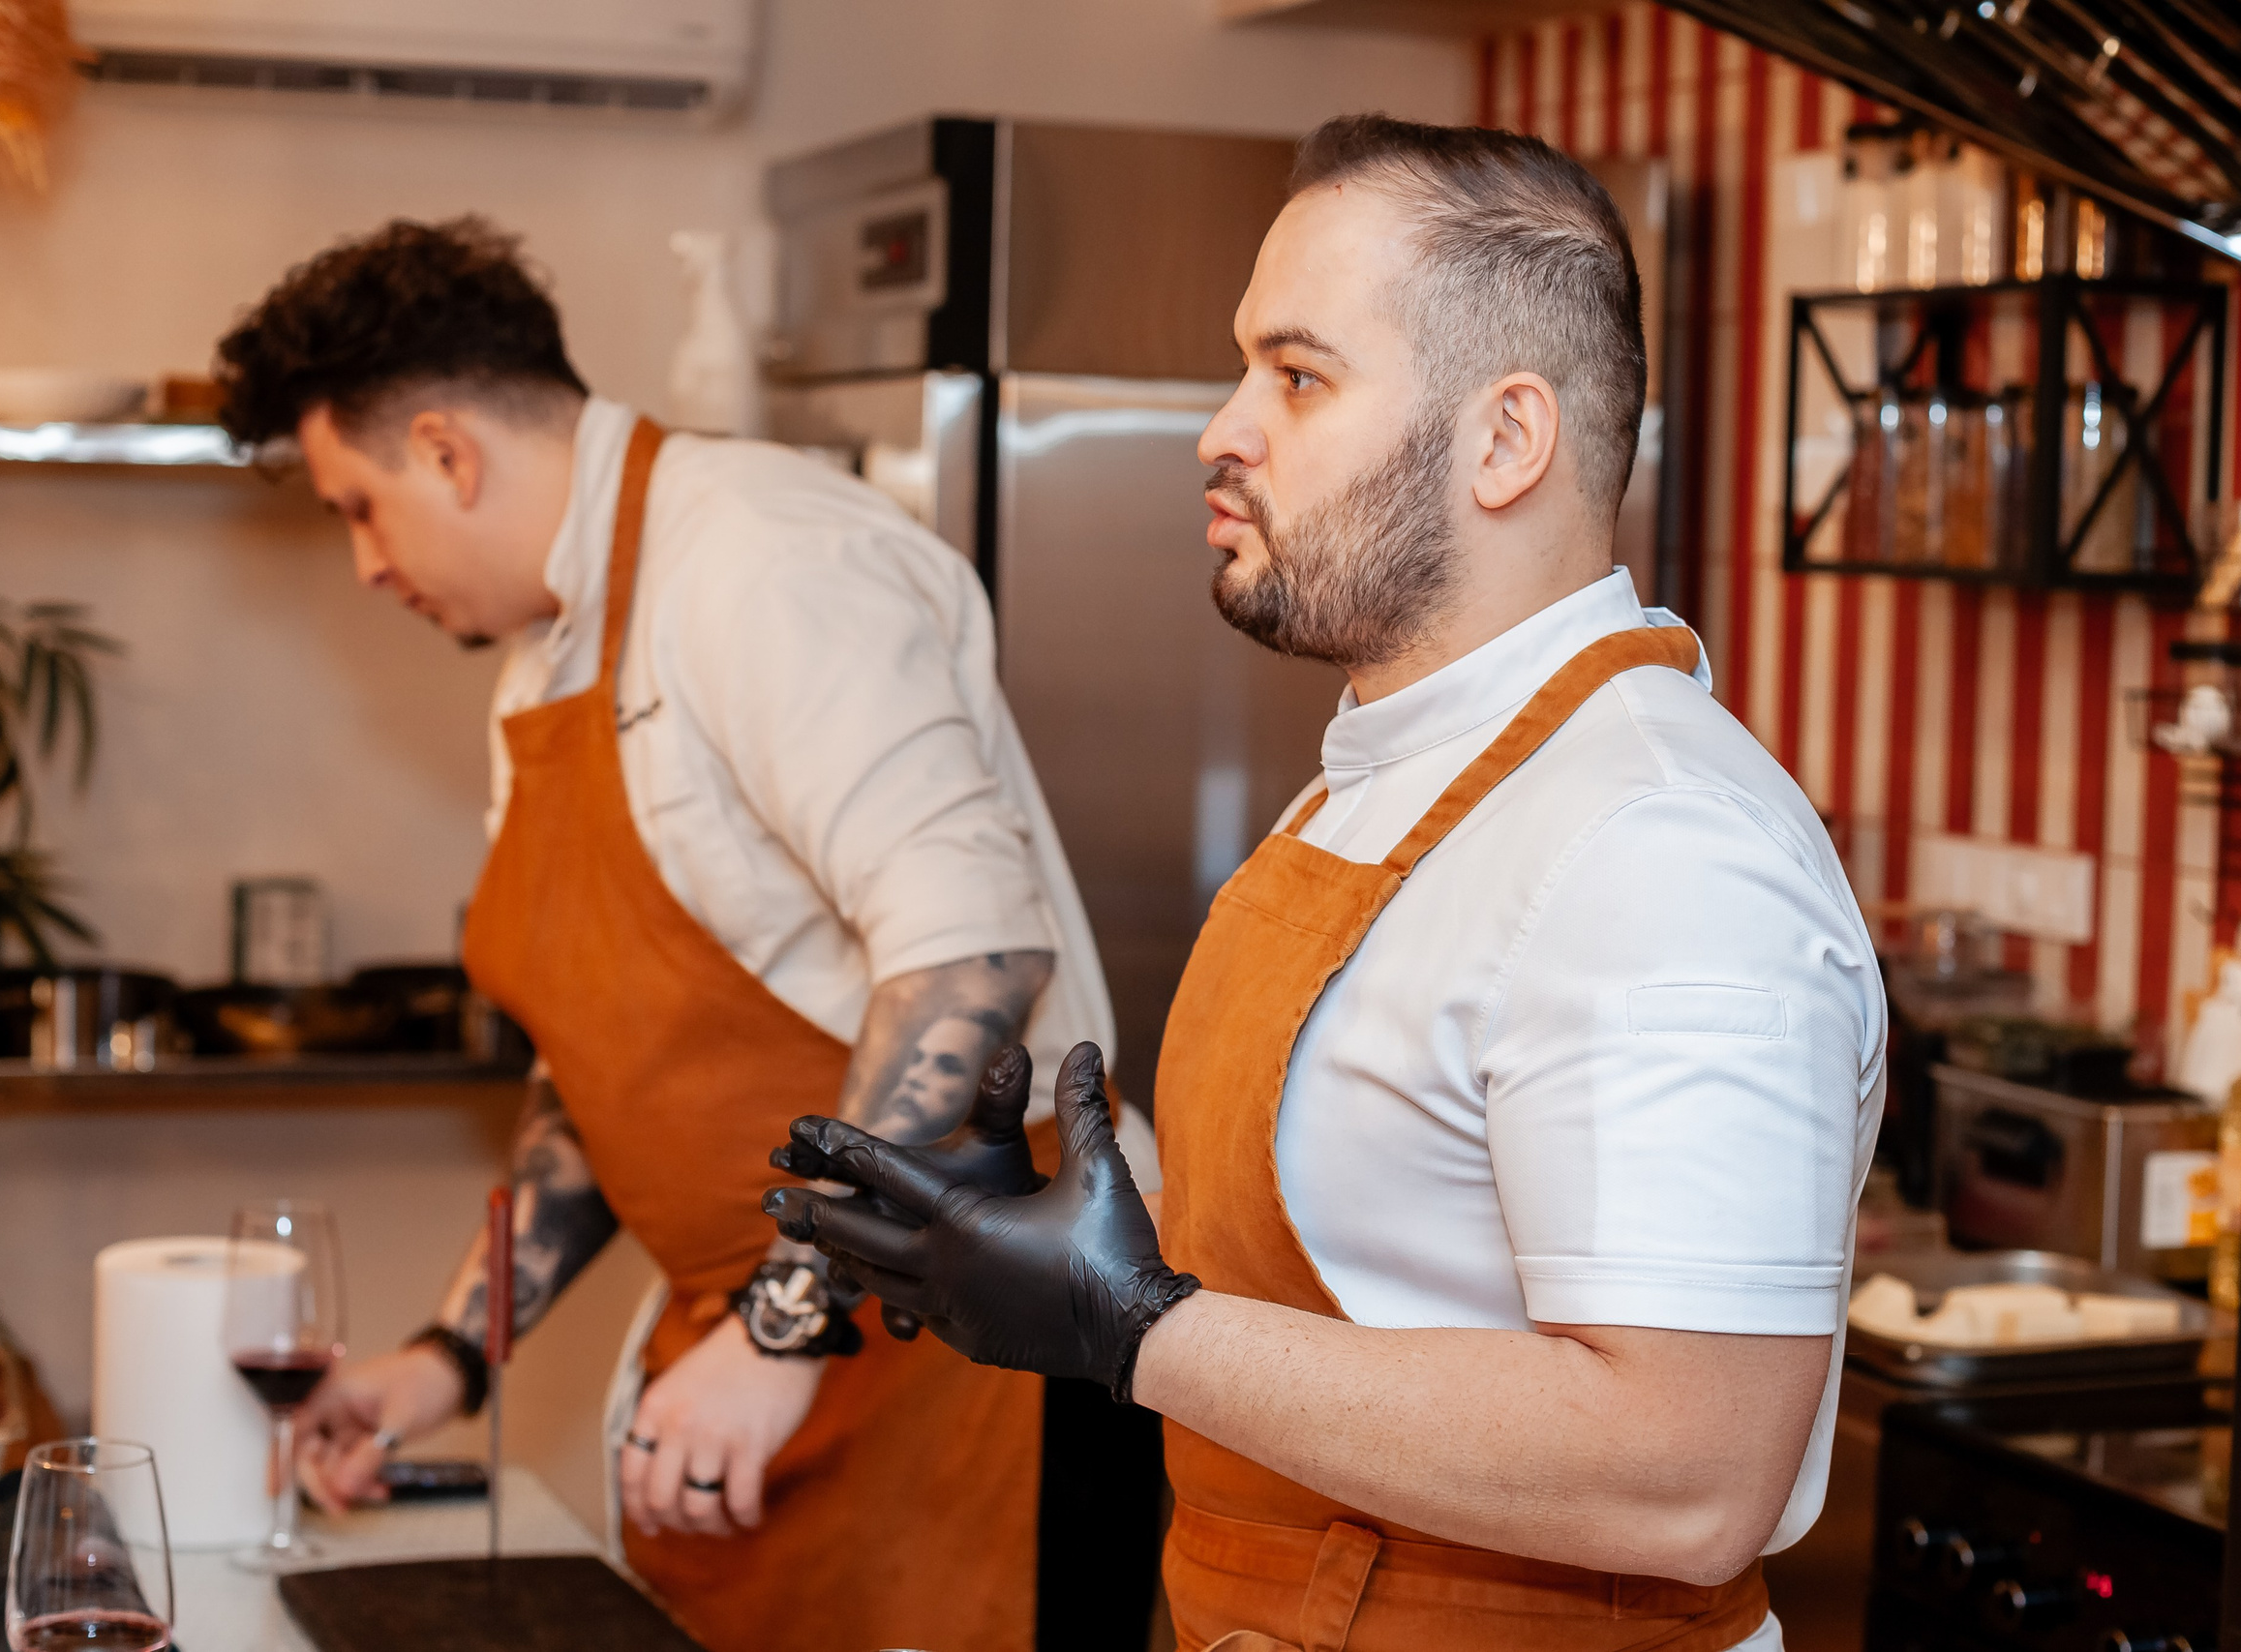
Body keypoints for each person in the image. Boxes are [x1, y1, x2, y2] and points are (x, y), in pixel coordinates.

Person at [770, 117, 1885, 1652]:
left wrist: (1134, 1327)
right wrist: (1062, 1236)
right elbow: (1376, 1262)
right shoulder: (1376, 782)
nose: (1221, 430)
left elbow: (1689, 1471)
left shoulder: (1660, 849)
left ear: (1506, 441)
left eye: (1297, 377)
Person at [211, 217, 1118, 1652]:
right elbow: (601, 1068)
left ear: (446, 452)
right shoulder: (541, 667)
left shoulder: (764, 560)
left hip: (948, 1351)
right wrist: (453, 1354)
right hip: (753, 1360)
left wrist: (784, 1322)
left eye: (359, 509)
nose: (368, 565)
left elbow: (974, 958)